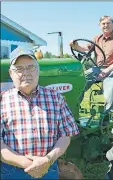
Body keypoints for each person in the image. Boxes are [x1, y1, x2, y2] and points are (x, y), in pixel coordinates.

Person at [0, 47, 79, 179]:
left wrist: (47, 160)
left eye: (31, 67)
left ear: (38, 70)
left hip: (48, 168)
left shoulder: (56, 98)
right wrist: (25, 163)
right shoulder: (2, 100)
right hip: (12, 172)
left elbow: (65, 136)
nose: (26, 73)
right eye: (19, 69)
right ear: (10, 73)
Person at [69, 15, 113, 114]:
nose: (106, 25)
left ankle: (109, 114)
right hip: (99, 68)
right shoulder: (97, 38)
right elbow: (85, 49)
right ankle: (73, 109)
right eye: (103, 24)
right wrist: (75, 45)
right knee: (81, 78)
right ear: (100, 26)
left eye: (108, 23)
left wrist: (106, 70)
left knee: (111, 77)